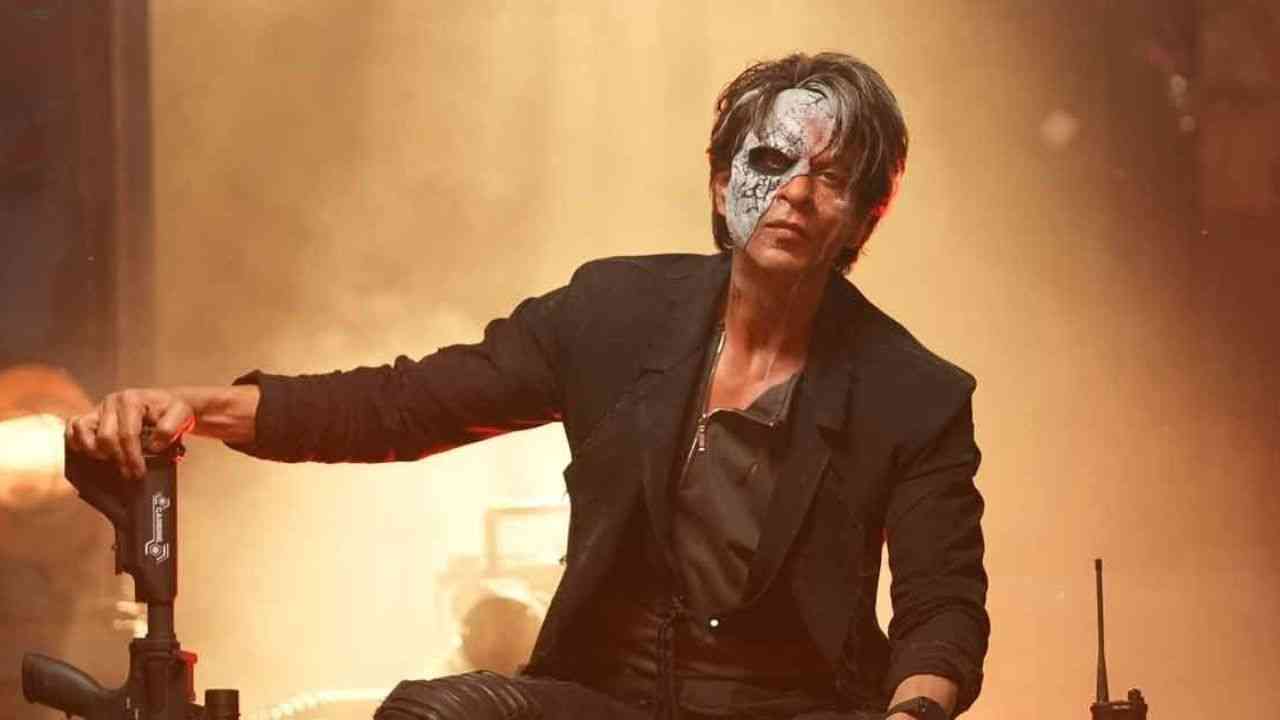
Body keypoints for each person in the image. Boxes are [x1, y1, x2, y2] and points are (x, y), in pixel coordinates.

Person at [66, 53, 988, 720]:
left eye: (831, 177)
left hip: (798, 709)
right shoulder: (614, 313)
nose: (794, 192)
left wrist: (913, 713)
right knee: (431, 712)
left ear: (864, 214)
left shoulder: (915, 392)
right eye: (770, 162)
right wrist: (193, 408)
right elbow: (403, 405)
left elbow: (942, 603)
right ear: (720, 185)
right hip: (605, 701)